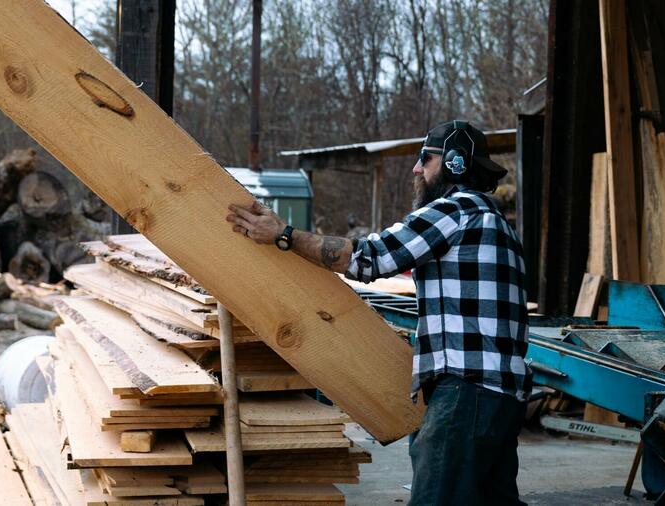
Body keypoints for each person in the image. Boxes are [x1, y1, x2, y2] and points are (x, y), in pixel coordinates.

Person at [226, 120, 531, 505]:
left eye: (426, 159)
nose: (417, 169)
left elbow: (369, 258)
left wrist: (284, 236)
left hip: (465, 394)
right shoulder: (498, 224)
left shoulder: (454, 211)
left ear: (455, 163)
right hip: (504, 397)